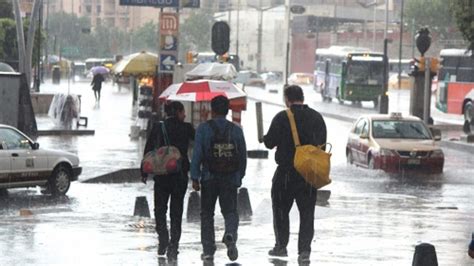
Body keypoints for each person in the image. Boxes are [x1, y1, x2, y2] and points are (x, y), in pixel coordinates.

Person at [262, 85, 327, 263]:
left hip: (286, 172)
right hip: (308, 174)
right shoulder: (316, 117)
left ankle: (281, 246)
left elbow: (269, 143)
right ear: (302, 98)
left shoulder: (282, 117)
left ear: (287, 99)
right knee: (307, 214)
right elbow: (322, 143)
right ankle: (304, 251)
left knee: (281, 210)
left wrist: (266, 138)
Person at [191, 96, 247, 262]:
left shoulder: (203, 129)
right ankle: (230, 233)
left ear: (212, 110)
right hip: (230, 178)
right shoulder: (236, 130)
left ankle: (208, 250)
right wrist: (239, 176)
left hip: (209, 178)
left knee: (207, 214)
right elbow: (243, 156)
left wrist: (195, 177)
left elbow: (197, 155)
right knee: (230, 211)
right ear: (228, 110)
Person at [141, 101, 195, 261]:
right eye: (183, 111)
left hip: (161, 175)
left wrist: (143, 171)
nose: (184, 115)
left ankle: (163, 237)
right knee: (176, 211)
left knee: (160, 209)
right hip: (180, 175)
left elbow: (148, 149)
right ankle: (173, 246)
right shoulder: (186, 128)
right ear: (178, 112)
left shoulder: (158, 127)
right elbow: (198, 142)